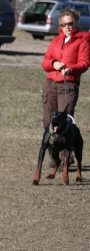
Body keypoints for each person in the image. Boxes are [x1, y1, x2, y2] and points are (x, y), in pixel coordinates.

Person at [41, 8, 89, 166]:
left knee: (65, 121)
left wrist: (71, 69)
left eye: (70, 24)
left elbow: (84, 62)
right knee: (48, 121)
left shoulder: (83, 40)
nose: (67, 27)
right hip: (51, 85)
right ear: (59, 26)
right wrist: (54, 63)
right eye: (63, 24)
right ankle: (53, 157)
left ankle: (66, 158)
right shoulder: (55, 41)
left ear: (75, 23)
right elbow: (45, 62)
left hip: (68, 85)